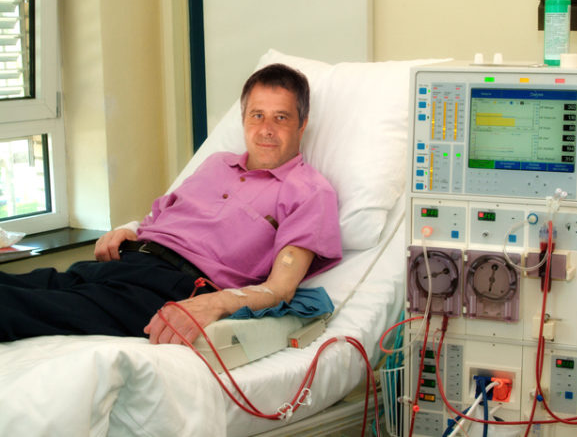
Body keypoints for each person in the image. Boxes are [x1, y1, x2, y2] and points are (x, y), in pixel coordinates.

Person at [0, 63, 343, 345]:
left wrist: (214, 304)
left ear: (302, 125)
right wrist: (129, 230)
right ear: (243, 119)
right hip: (124, 261)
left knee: (16, 308)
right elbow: (161, 216)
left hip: (170, 288)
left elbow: (280, 289)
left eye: (281, 118)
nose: (266, 129)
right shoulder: (216, 164)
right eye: (257, 115)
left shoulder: (309, 191)